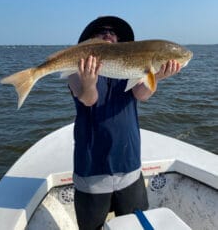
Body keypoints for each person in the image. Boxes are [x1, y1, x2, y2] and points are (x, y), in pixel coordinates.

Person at [68, 16, 181, 230]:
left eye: (112, 31)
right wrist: (89, 82)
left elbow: (141, 94)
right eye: (100, 31)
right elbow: (88, 99)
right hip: (92, 169)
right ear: (89, 41)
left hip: (129, 166)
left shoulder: (132, 68)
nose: (108, 33)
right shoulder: (77, 70)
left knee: (135, 225)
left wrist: (158, 75)